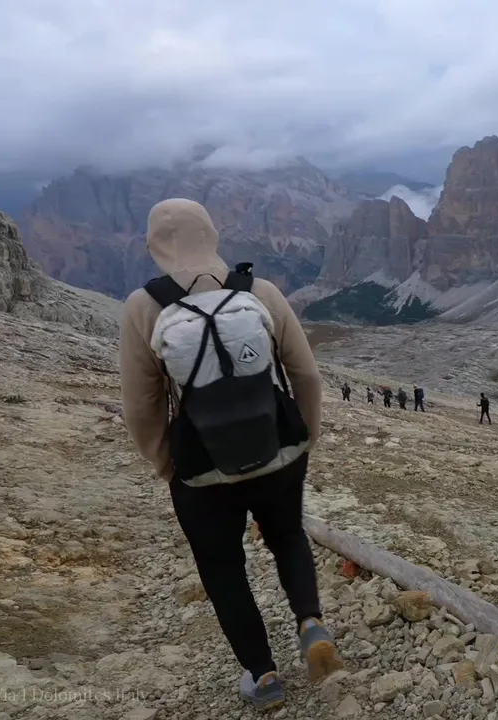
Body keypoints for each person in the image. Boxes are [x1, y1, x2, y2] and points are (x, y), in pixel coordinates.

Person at [119, 198, 342, 711]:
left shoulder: (143, 307)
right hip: (278, 451)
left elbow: (141, 404)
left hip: (201, 467)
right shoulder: (259, 292)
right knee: (287, 536)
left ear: (154, 245)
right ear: (211, 234)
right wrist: (304, 438)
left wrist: (165, 462)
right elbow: (306, 374)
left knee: (222, 567)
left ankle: (263, 676)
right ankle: (310, 623)